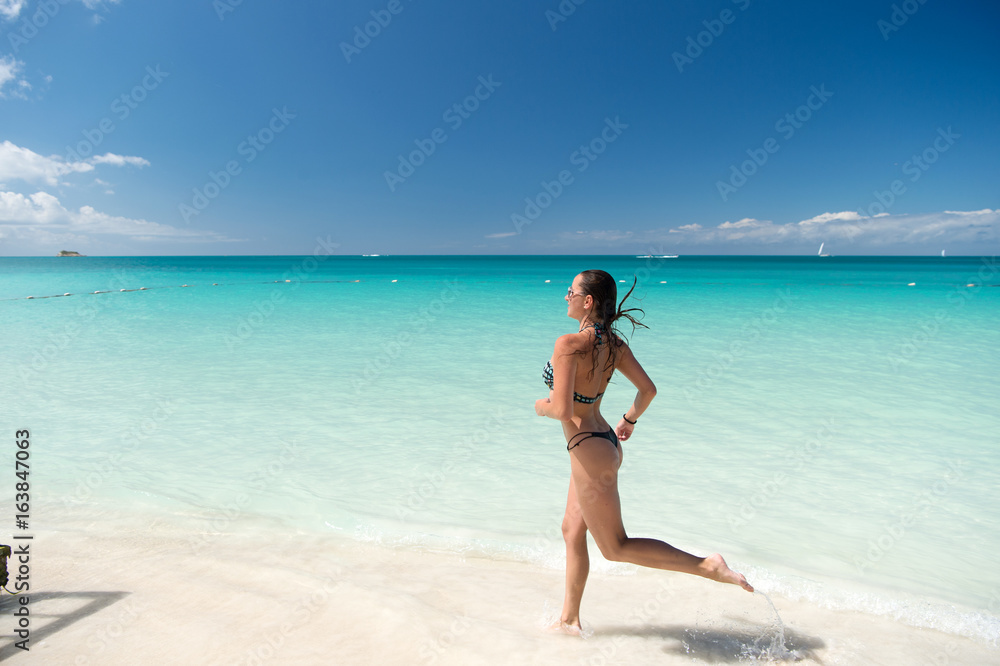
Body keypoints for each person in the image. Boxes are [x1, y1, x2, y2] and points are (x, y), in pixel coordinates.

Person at [534, 269, 753, 635]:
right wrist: (629, 420)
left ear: (587, 301)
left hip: (589, 453)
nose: (565, 296)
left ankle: (707, 565)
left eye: (569, 291)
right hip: (602, 441)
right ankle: (569, 621)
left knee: (615, 547)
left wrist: (539, 405)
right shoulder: (614, 346)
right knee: (572, 529)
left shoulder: (569, 344)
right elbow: (648, 390)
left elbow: (560, 409)